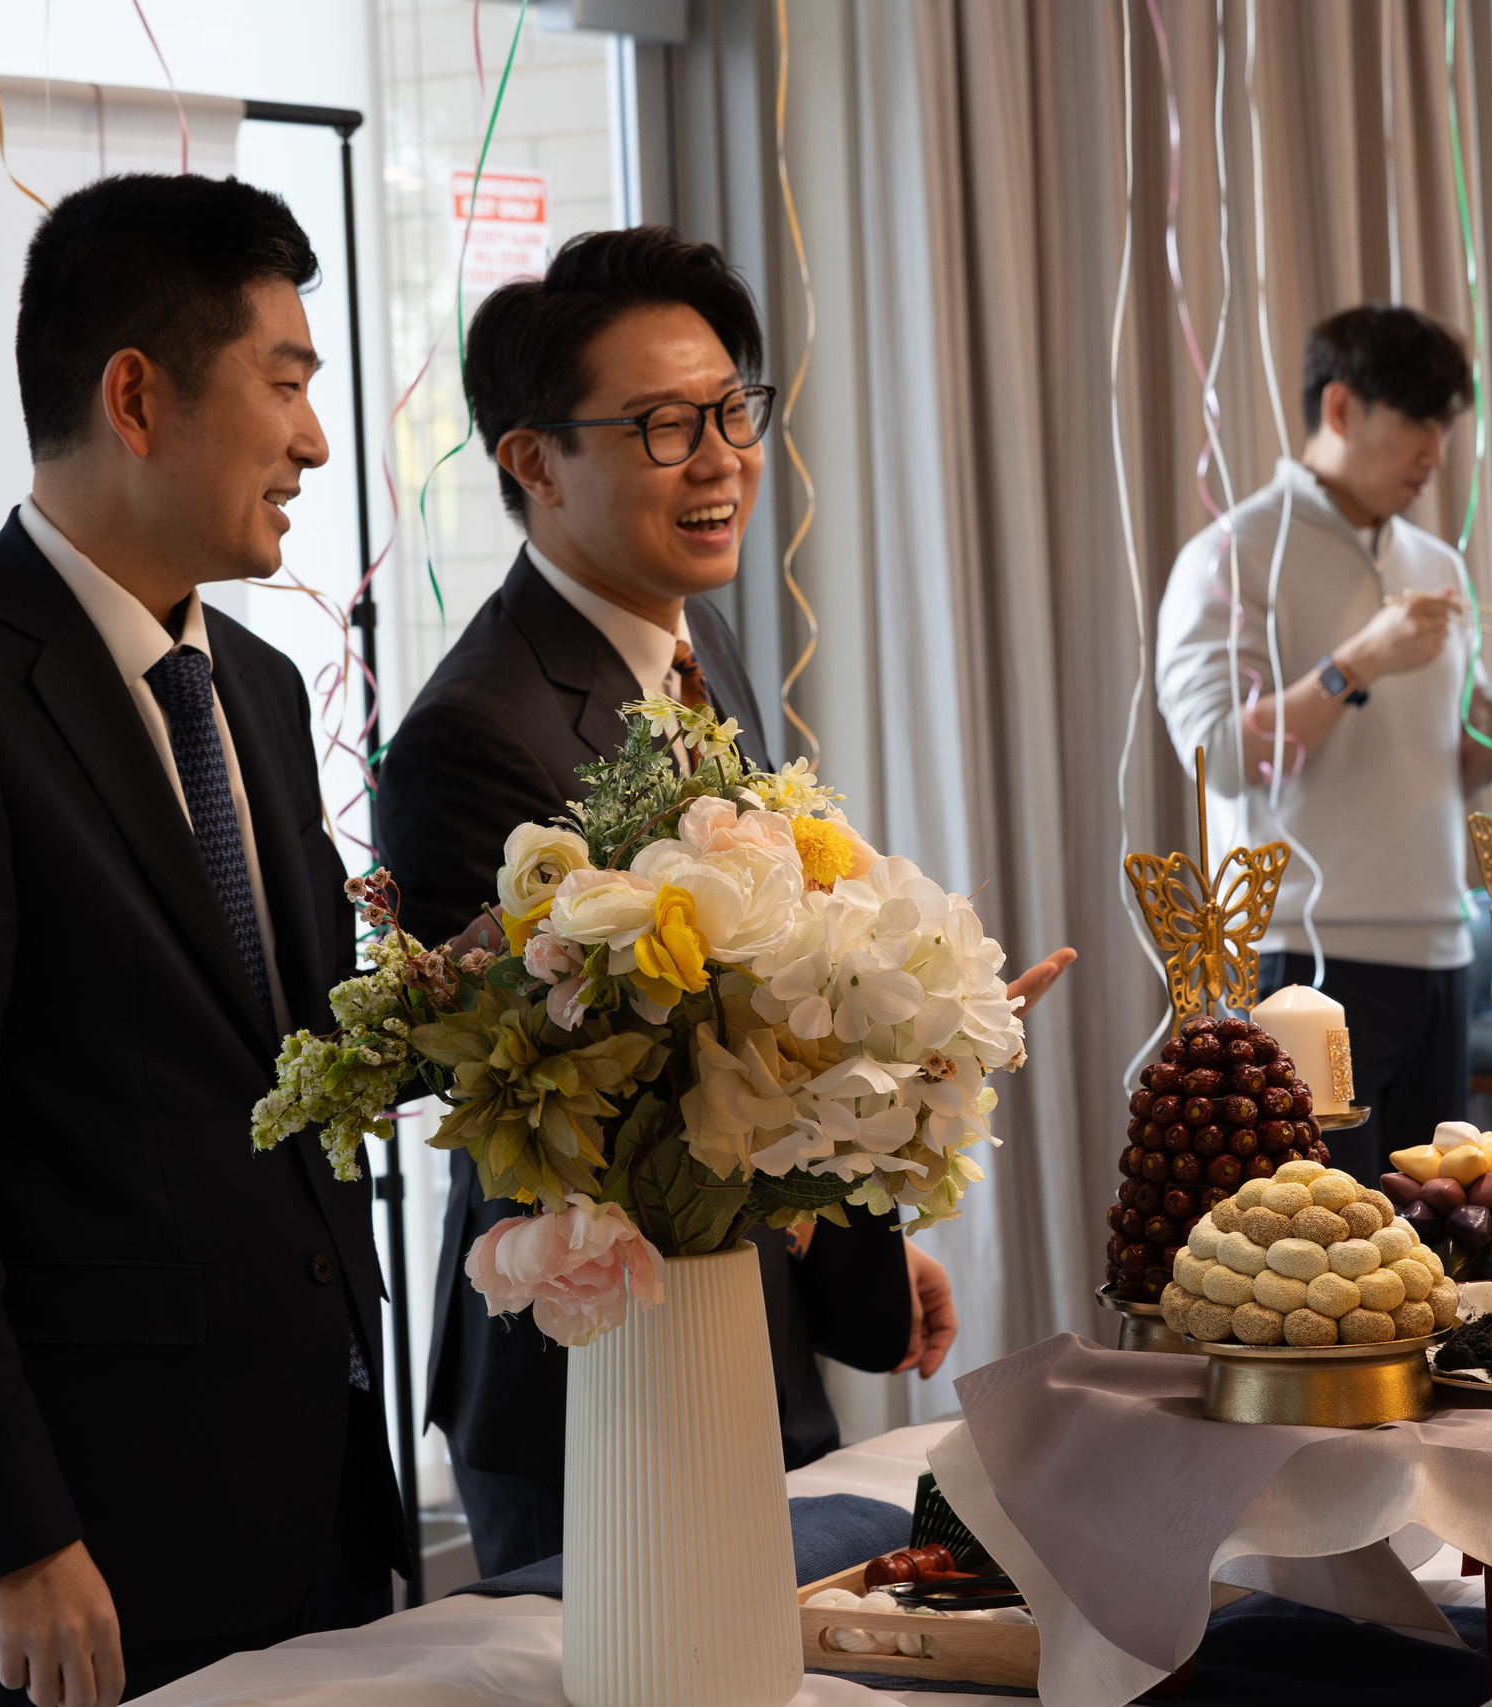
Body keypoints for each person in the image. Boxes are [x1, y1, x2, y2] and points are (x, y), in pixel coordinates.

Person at [0, 176, 406, 1707]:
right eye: (286, 385)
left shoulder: (255, 687)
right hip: (87, 1557)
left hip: (315, 1502)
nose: (315, 442)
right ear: (136, 395)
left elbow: (285, 1048)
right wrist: (12, 1537)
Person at [374, 227, 1071, 1577]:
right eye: (663, 424)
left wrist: (861, 1240)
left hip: (749, 1326)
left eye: (732, 409)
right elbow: (589, 1112)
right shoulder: (477, 734)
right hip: (600, 1370)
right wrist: (900, 1068)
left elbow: (773, 988)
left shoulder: (702, 642)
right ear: (532, 459)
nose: (722, 457)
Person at [1155, 304, 1492, 1178]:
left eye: (1445, 426)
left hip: (1442, 944)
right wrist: (1355, 662)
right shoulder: (1234, 553)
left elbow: (1448, 766)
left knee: (1443, 1241)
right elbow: (1215, 753)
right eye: (1417, 421)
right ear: (1340, 410)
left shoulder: (1435, 562)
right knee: (1330, 1258)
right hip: (1305, 949)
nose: (1436, 453)